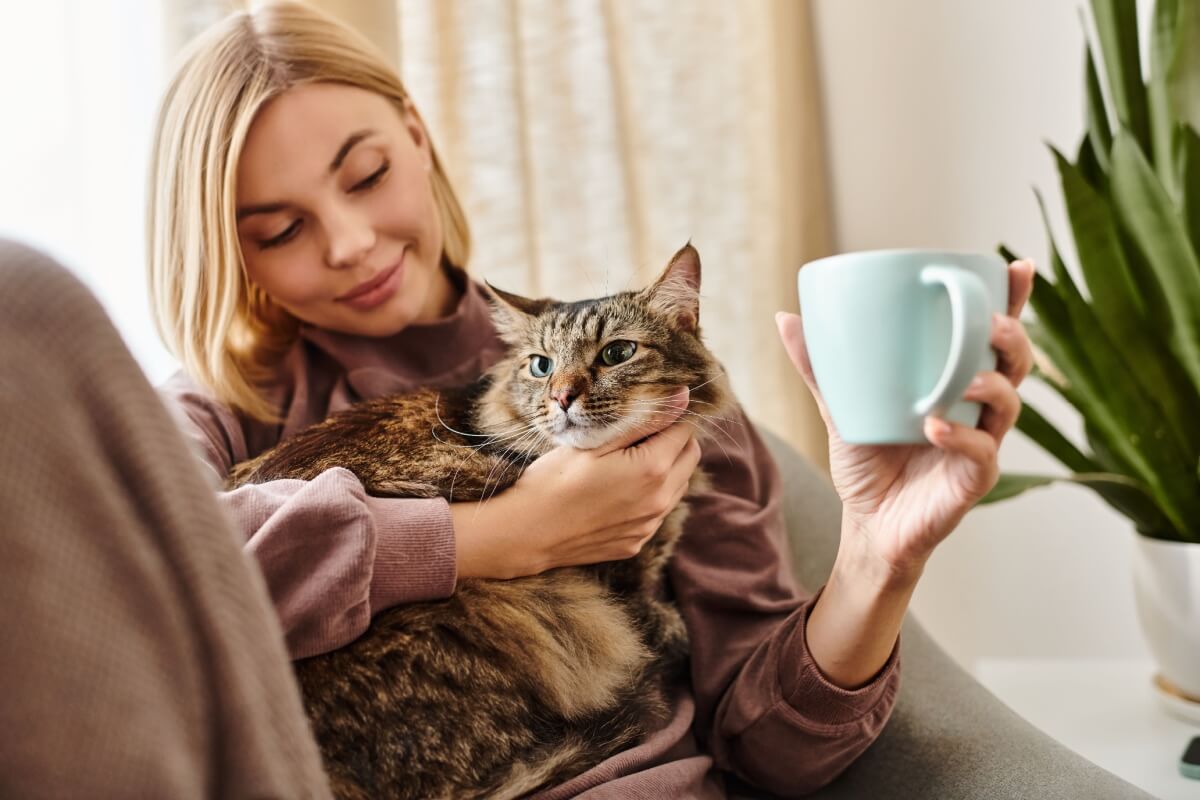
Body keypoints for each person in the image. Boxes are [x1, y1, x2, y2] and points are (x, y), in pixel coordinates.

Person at [0, 2, 1035, 798]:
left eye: (365, 174)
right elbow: (149, 586)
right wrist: (494, 537)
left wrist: (879, 555)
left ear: (419, 136)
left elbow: (770, 746)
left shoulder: (655, 398)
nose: (351, 242)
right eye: (279, 228)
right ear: (225, 248)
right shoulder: (214, 411)